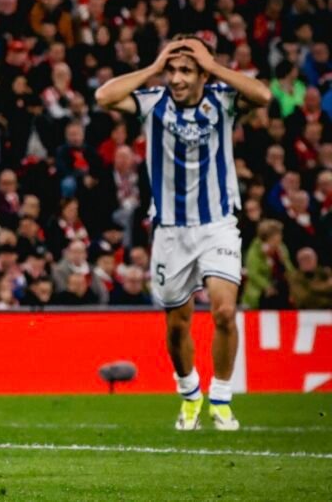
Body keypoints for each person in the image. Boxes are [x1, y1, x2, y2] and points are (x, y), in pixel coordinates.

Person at [95, 34, 271, 432]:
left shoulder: (223, 100)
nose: (176, 78)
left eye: (186, 70)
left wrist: (212, 66)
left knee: (224, 312)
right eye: (172, 70)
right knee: (177, 324)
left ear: (203, 74)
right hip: (171, 231)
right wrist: (154, 67)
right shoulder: (152, 102)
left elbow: (262, 95)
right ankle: (190, 393)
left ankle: (221, 399)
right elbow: (105, 96)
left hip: (217, 225)